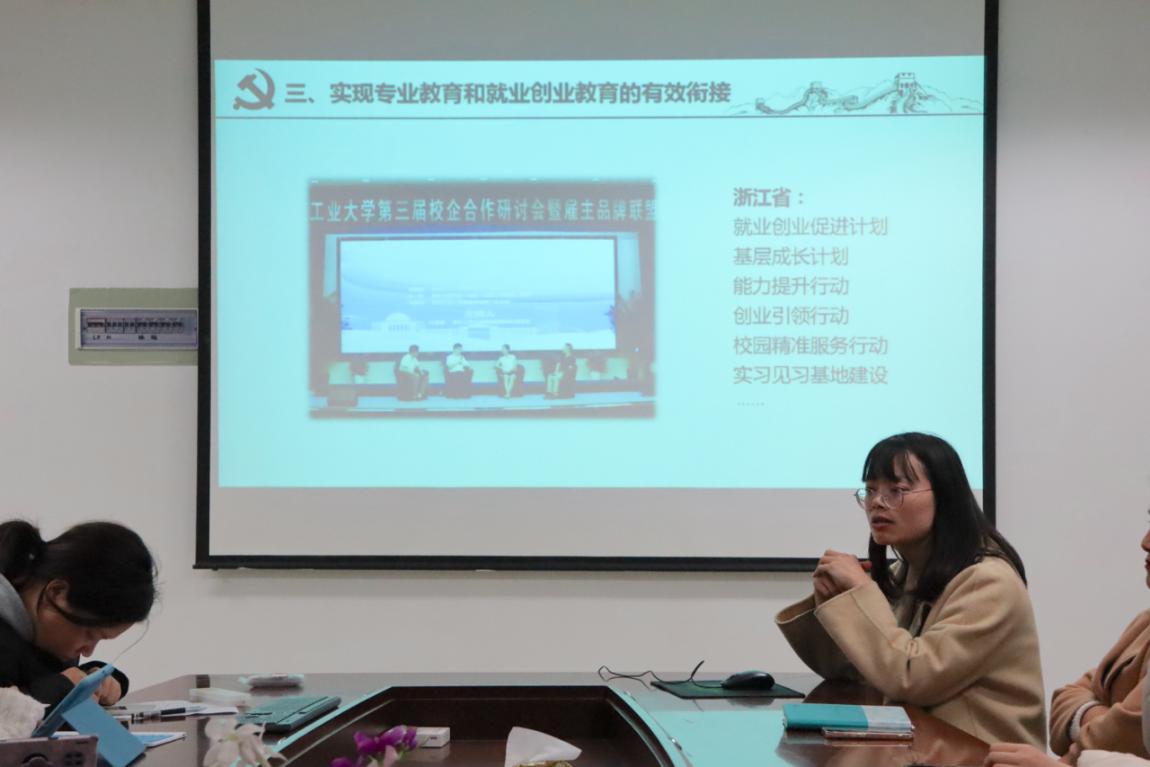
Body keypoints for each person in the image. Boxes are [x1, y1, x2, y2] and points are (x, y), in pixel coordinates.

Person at [776, 432, 1045, 747]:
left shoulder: (988, 582)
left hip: (980, 754)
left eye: (897, 490)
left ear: (945, 496)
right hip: (925, 749)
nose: (877, 502)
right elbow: (855, 671)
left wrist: (862, 592)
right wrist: (834, 601)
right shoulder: (905, 572)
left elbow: (912, 677)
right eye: (870, 490)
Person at [985, 514, 1150, 767]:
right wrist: (1104, 721)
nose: (1145, 542)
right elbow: (1067, 695)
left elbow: (1124, 736)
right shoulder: (1145, 622)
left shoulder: (986, 579)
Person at [0, 520, 157, 707]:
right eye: (89, 634)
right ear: (57, 593)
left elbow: (35, 679)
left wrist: (91, 679)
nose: (87, 651)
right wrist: (58, 689)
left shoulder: (44, 636)